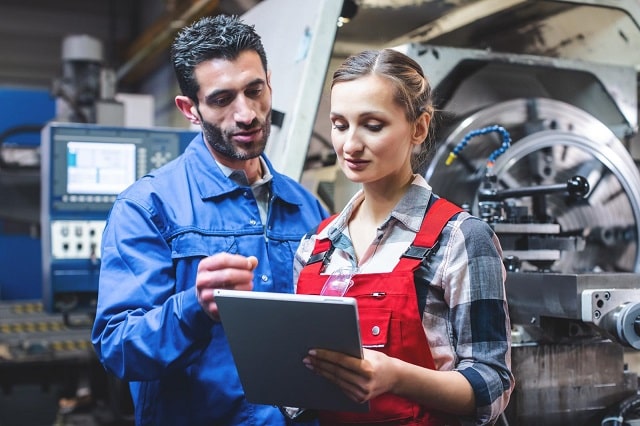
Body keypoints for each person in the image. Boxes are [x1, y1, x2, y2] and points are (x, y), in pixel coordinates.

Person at [91, 14, 329, 425]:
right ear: (190, 109)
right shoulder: (147, 208)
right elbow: (118, 348)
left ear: (269, 83)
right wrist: (195, 307)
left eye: (255, 91)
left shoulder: (308, 208)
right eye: (222, 99)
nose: (246, 114)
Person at [293, 49, 515, 425]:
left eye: (372, 125)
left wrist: (396, 377)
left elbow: (493, 385)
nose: (350, 145)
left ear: (419, 128)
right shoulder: (316, 246)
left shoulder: (460, 239)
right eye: (340, 124)